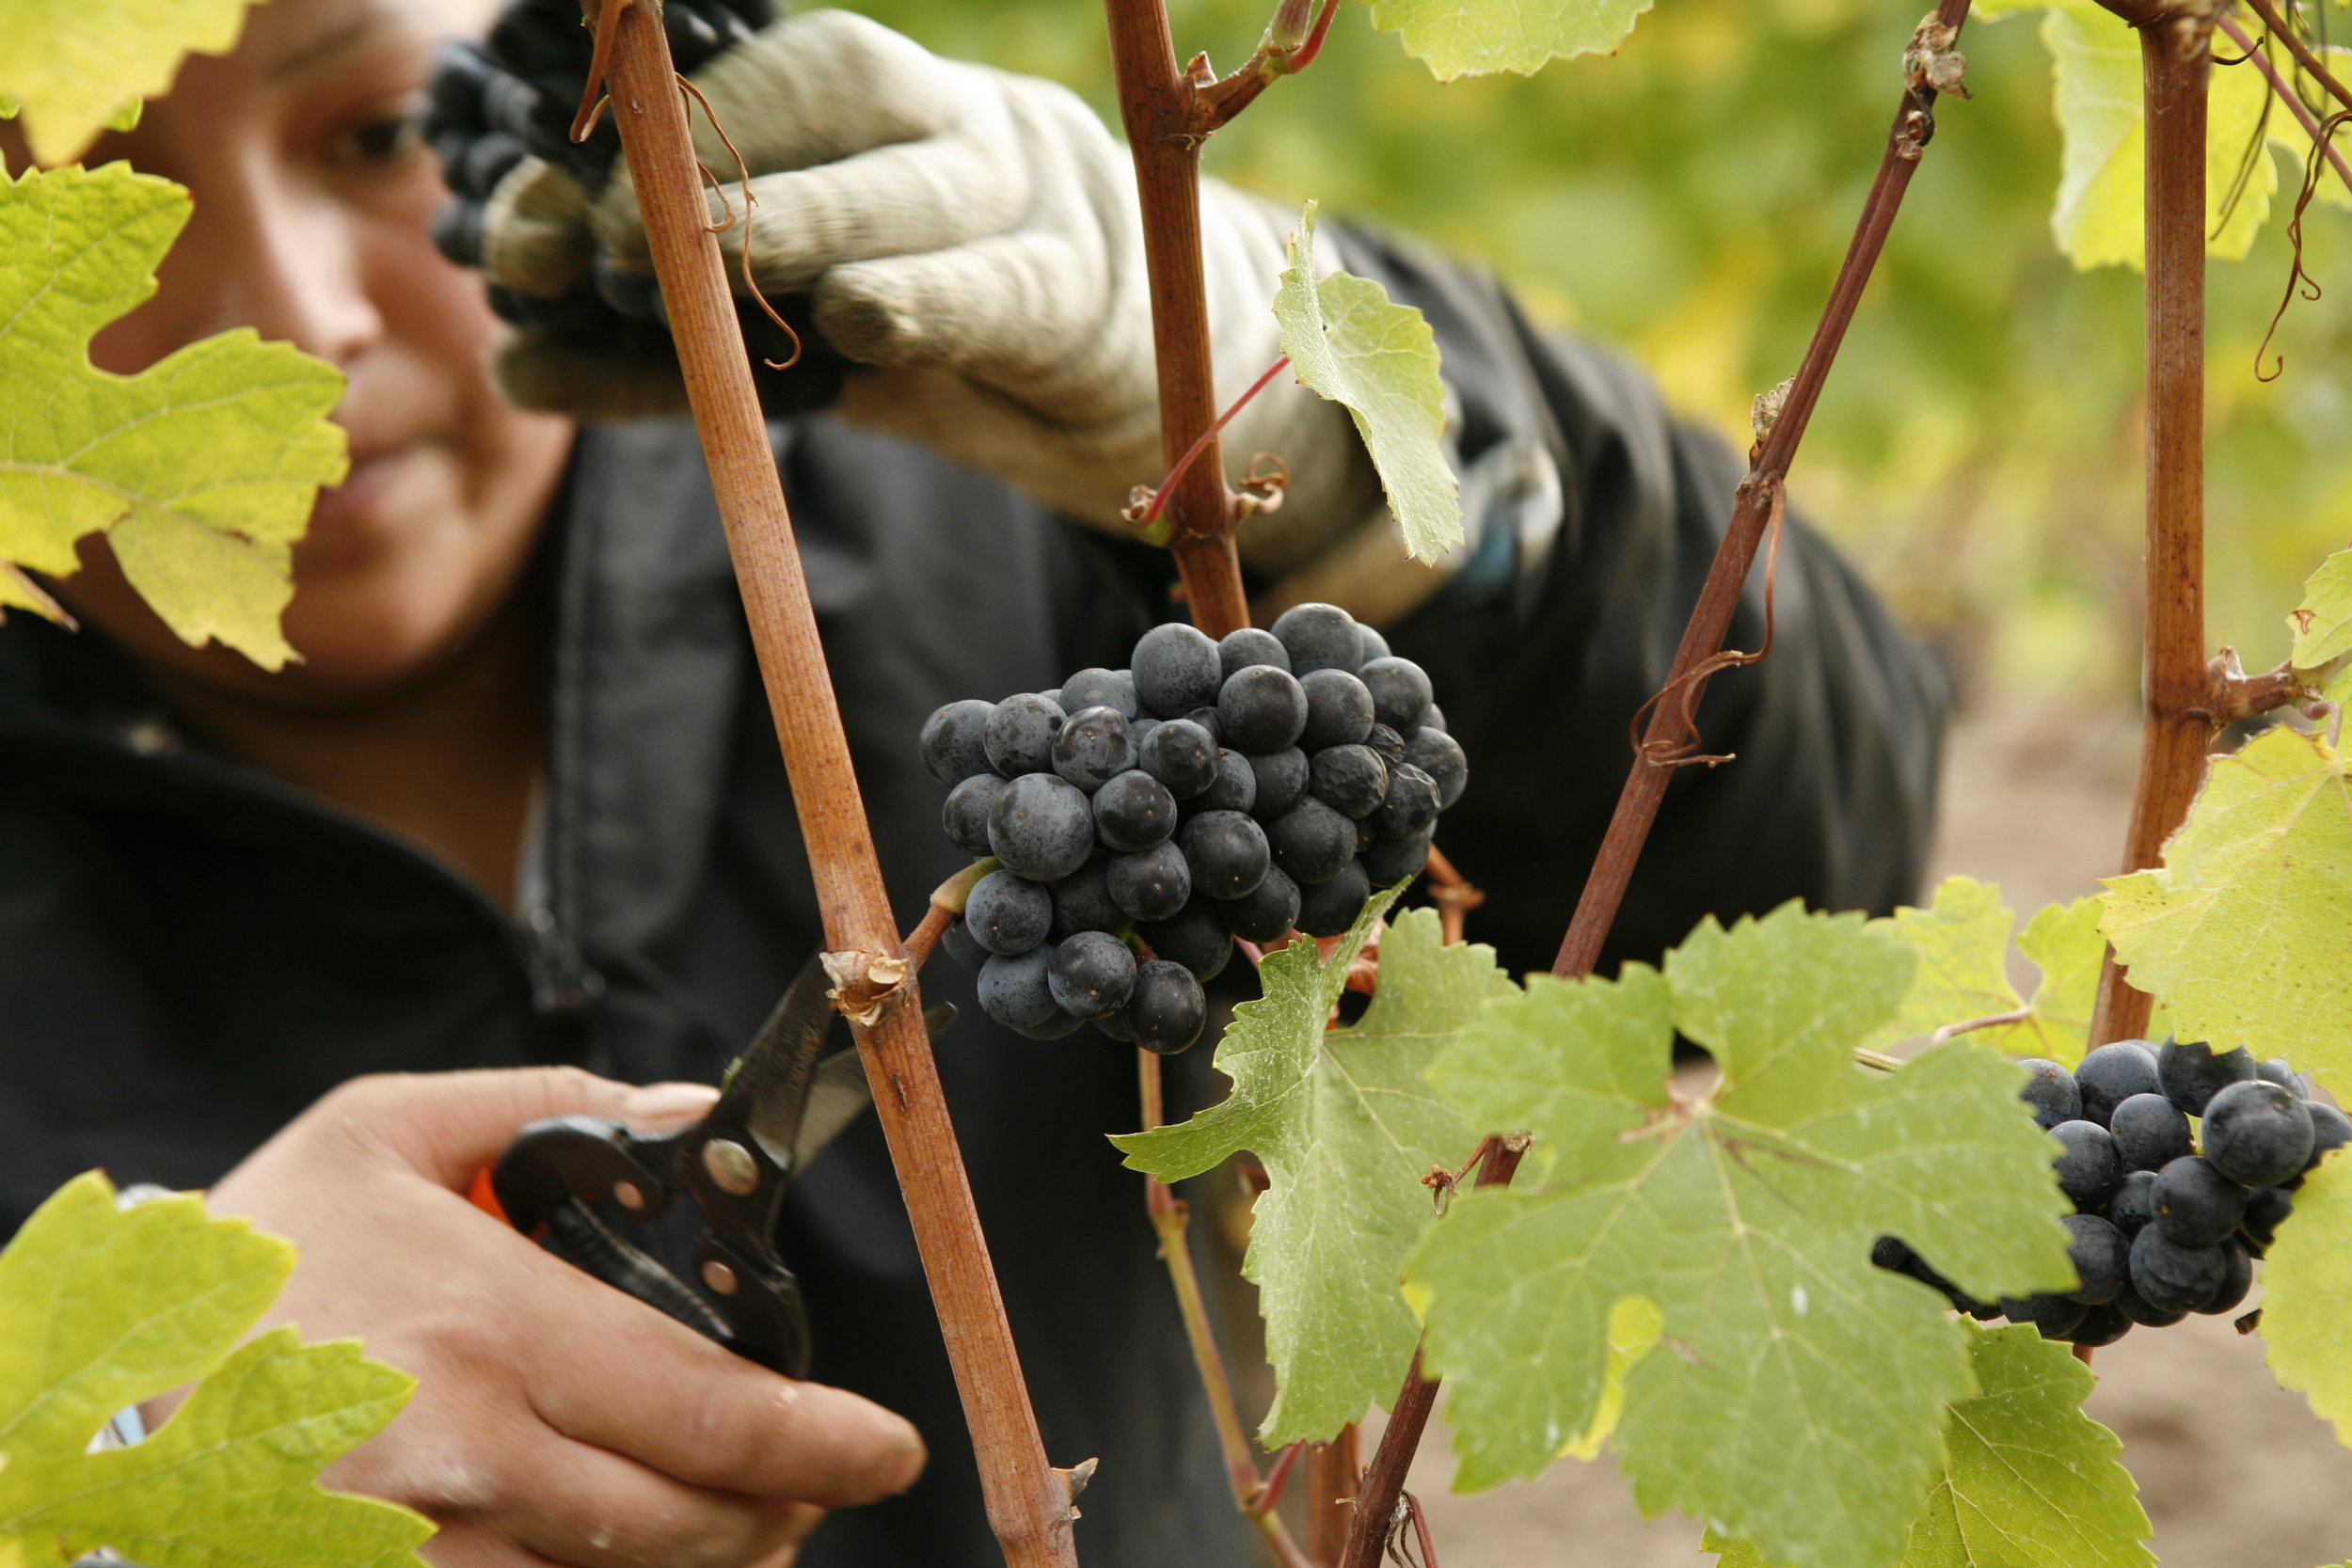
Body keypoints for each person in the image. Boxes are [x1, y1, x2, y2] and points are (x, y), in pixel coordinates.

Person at [0, 0, 1947, 1563]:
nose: (297, 322)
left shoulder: (986, 482)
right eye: (76, 210)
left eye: (363, 134)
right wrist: (100, 1453)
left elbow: (1810, 859)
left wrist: (1364, 465)